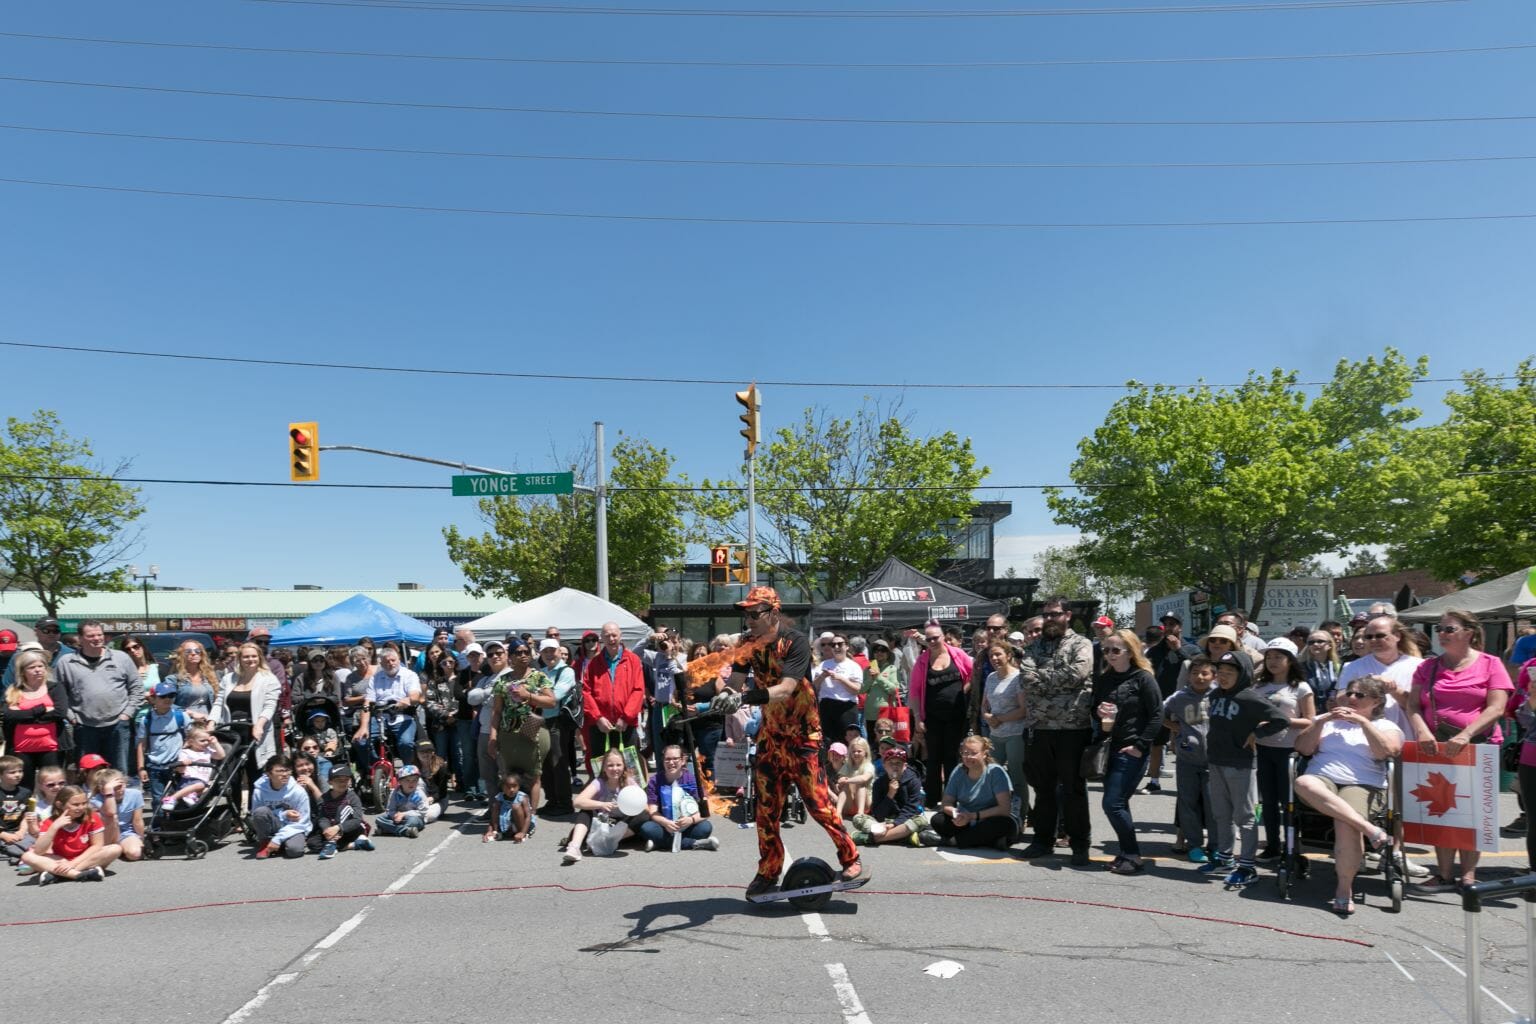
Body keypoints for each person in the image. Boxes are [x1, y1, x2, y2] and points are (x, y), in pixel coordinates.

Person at [722, 586, 864, 898]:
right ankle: (768, 870)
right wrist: (726, 696)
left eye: (754, 613)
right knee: (766, 809)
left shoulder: (794, 641)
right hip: (771, 736)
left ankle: (850, 857)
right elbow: (734, 683)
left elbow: (786, 688)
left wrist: (746, 696)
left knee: (817, 803)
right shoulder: (746, 643)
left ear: (773, 613)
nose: (749, 619)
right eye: (746, 613)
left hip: (803, 735)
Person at [1407, 609, 1514, 892]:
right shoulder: (1427, 667)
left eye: (1449, 629)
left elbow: (1497, 707)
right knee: (1440, 806)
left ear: (1469, 632)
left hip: (1479, 746)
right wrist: (1422, 731)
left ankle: (1468, 874)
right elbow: (1413, 705)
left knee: (1473, 812)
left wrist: (1467, 734)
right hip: (1437, 746)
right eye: (1440, 629)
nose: (1442, 634)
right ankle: (1444, 874)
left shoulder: (1491, 664)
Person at [1293, 676, 1402, 915]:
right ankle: (1371, 830)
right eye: (1350, 693)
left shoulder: (1386, 726)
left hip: (1363, 784)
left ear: (1376, 701)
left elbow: (1387, 752)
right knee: (1302, 782)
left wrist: (1363, 723)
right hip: (1323, 780)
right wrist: (1323, 721)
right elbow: (1303, 749)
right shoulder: (1326, 721)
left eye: (1360, 695)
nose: (1351, 698)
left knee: (1345, 825)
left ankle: (1344, 889)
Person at [1016, 595, 1096, 865]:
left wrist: (1044, 678)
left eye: (1055, 614)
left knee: (1073, 789)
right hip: (1039, 728)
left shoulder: (1081, 643)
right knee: (1043, 788)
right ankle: (1042, 840)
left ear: (1067, 615)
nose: (1050, 619)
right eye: (1047, 614)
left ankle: (1079, 844)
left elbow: (1078, 674)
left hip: (1072, 727)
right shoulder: (1034, 646)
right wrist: (1055, 681)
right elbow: (1026, 678)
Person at [1202, 651, 1289, 888]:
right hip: (1216, 761)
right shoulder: (1216, 694)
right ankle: (1225, 858)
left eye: (1229, 673)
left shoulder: (1250, 697)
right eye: (1220, 672)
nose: (1223, 677)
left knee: (1245, 816)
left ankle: (1248, 866)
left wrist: (1257, 733)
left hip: (1240, 764)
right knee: (1221, 814)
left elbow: (1281, 720)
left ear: (1242, 675)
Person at [1092, 629, 1163, 873]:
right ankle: (1126, 853)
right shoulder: (1105, 678)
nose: (1110, 655)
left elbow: (1157, 715)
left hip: (1131, 749)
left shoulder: (1143, 678)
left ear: (1130, 652)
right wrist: (1099, 712)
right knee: (1120, 803)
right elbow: (1093, 709)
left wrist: (1141, 746)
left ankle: (1132, 854)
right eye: (1106, 650)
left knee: (1112, 803)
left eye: (1115, 650)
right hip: (1109, 746)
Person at [1252, 638, 1316, 863]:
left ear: (1290, 660)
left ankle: (1292, 846)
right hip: (1263, 750)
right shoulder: (1258, 686)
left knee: (1288, 802)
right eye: (1269, 657)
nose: (1272, 661)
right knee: (1267, 802)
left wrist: (1282, 722)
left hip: (1289, 753)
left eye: (1278, 657)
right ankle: (1271, 845)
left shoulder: (1301, 688)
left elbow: (1310, 721)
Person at [53, 621, 144, 771]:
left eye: (99, 634)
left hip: (118, 726)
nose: (96, 638)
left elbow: (136, 688)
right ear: (81, 638)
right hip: (84, 727)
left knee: (118, 772)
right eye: (91, 636)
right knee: (88, 773)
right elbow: (59, 695)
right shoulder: (66, 663)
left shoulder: (121, 658)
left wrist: (127, 714)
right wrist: (72, 717)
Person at [909, 622, 975, 806]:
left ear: (943, 637)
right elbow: (914, 692)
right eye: (928, 638)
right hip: (932, 717)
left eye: (935, 638)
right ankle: (932, 799)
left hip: (956, 716)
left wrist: (964, 690)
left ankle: (952, 799)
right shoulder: (922, 661)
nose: (932, 641)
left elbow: (973, 674)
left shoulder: (958, 654)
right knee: (933, 758)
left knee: (952, 757)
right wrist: (917, 718)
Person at [488, 639, 556, 815]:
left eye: (526, 651)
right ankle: (512, 813)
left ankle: (531, 816)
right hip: (508, 734)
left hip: (532, 732)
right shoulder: (502, 681)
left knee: (534, 775)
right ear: (510, 657)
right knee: (509, 775)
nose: (523, 655)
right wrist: (492, 737)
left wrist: (529, 695)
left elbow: (551, 701)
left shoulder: (539, 677)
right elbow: (496, 712)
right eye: (518, 652)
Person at [213, 642, 283, 804]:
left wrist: (259, 724)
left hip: (255, 732)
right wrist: (211, 722)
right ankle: (235, 812)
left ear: (259, 658)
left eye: (253, 656)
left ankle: (254, 811)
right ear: (239, 658)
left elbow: (270, 705)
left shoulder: (268, 679)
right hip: (232, 733)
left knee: (255, 775)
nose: (250, 659)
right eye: (246, 656)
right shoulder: (229, 679)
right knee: (232, 776)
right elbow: (218, 703)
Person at [1164, 654, 1216, 863]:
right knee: (1188, 803)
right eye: (1195, 673)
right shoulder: (1180, 697)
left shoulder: (1219, 695)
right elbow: (1159, 713)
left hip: (1214, 761)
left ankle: (1216, 845)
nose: (1199, 677)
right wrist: (1177, 728)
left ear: (1213, 676)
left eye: (1205, 673)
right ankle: (1194, 845)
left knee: (1214, 805)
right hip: (1187, 759)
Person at [1338, 615, 1422, 734]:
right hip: (1365, 738)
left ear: (1397, 636)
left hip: (1408, 736)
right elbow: (1341, 700)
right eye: (1368, 637)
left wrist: (1394, 690)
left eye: (1379, 636)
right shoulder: (1352, 666)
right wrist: (1366, 685)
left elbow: (1421, 706)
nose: (1373, 640)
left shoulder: (1419, 666)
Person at [20, 784, 121, 883]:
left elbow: (97, 845)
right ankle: (78, 875)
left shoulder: (92, 817)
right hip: (61, 859)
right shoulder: (50, 822)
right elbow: (39, 851)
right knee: (27, 856)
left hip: (86, 858)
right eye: (75, 805)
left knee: (116, 848)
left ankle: (59, 874)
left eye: (84, 803)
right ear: (60, 805)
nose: (81, 807)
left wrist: (73, 863)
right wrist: (54, 827)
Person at [928, 735, 1015, 849]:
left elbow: (1004, 809)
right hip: (965, 819)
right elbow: (946, 803)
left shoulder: (995, 772)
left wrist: (973, 816)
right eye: (965, 753)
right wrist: (956, 814)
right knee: (937, 820)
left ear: (984, 753)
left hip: (988, 818)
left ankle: (953, 841)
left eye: (973, 753)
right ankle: (987, 841)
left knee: (1004, 825)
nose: (968, 757)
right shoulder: (959, 770)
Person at [845, 740, 937, 847]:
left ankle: (871, 838)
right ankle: (904, 837)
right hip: (883, 822)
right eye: (891, 763)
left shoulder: (913, 781)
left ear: (905, 766)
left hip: (904, 821)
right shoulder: (879, 783)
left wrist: (894, 824)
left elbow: (911, 809)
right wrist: (890, 794)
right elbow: (878, 814)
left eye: (898, 763)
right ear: (884, 765)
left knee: (920, 820)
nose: (895, 766)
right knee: (858, 818)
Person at [562, 747, 644, 865]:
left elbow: (643, 805)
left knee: (643, 815)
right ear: (604, 768)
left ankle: (608, 840)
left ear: (623, 766)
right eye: (610, 765)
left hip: (620, 826)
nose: (614, 768)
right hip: (602, 822)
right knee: (585, 811)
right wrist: (602, 804)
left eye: (618, 765)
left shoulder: (629, 782)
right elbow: (577, 801)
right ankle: (574, 847)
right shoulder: (599, 782)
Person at [2, 648, 69, 790]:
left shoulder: (55, 688)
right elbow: (9, 715)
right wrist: (41, 709)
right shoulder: (14, 690)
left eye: (41, 666)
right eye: (32, 667)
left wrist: (24, 715)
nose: (38, 670)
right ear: (22, 671)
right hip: (21, 749)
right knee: (23, 787)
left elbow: (60, 713)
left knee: (52, 785)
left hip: (51, 748)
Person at [581, 622, 646, 764]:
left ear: (620, 636)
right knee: (600, 765)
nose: (611, 639)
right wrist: (597, 718)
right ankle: (601, 787)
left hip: (626, 724)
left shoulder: (633, 660)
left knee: (630, 765)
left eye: (614, 635)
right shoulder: (594, 663)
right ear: (601, 639)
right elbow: (586, 692)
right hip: (600, 725)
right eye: (607, 636)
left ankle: (630, 787)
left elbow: (638, 690)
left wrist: (626, 717)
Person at [980, 641, 1029, 821]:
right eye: (991, 655)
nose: (994, 658)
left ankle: (1021, 816)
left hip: (1014, 734)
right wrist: (987, 716)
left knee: (1017, 777)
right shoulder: (991, 677)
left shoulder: (1018, 678)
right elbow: (984, 705)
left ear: (1008, 655)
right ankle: (997, 813)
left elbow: (1023, 710)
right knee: (993, 776)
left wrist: (999, 719)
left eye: (998, 654)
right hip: (995, 735)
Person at [639, 744, 718, 852]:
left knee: (705, 827)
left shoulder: (691, 780)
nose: (671, 763)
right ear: (663, 761)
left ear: (683, 760)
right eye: (667, 759)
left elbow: (705, 812)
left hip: (687, 825)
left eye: (675, 759)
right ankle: (695, 843)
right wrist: (665, 823)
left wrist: (691, 819)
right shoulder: (655, 780)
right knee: (646, 828)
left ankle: (659, 843)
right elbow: (653, 812)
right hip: (664, 827)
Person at [353, 646, 423, 769]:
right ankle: (378, 769)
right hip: (380, 716)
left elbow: (415, 696)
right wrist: (363, 727)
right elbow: (367, 702)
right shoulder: (376, 678)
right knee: (360, 741)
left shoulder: (409, 675)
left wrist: (407, 700)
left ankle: (408, 771)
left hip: (403, 715)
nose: (390, 664)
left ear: (398, 659)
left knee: (406, 743)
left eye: (393, 660)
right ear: (381, 663)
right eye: (386, 661)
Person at [537, 638, 579, 815]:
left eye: (552, 651)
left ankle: (564, 802)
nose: (549, 654)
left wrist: (535, 695)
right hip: (542, 721)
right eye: (545, 651)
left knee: (558, 763)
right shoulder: (541, 672)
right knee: (545, 763)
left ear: (558, 652)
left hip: (558, 722)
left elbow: (555, 697)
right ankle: (552, 800)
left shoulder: (566, 671)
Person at [134, 681, 192, 804]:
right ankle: (160, 822)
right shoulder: (147, 720)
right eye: (163, 696)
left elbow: (191, 737)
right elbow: (141, 745)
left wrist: (185, 751)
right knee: (158, 799)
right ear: (153, 699)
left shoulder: (181, 716)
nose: (168, 699)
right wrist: (141, 768)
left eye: (171, 696)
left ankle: (178, 822)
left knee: (180, 797)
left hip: (177, 765)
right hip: (155, 766)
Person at [250, 755, 311, 859]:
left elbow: (303, 822)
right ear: (269, 774)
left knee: (294, 851)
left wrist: (277, 839)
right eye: (280, 771)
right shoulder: (259, 791)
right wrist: (283, 814)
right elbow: (255, 816)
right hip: (273, 826)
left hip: (293, 827)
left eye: (287, 771)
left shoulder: (298, 791)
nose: (285, 774)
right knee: (260, 812)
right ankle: (265, 842)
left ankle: (277, 844)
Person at [814, 633, 865, 750]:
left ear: (847, 646)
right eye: (833, 645)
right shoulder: (824, 664)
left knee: (847, 742)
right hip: (827, 705)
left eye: (839, 644)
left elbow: (856, 689)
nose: (836, 647)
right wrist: (822, 676)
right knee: (827, 741)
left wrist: (841, 679)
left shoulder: (853, 666)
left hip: (846, 707)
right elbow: (814, 687)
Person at [311, 764, 371, 858]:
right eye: (338, 780)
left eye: (346, 780)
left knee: (344, 809)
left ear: (350, 781)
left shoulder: (352, 797)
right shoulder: (324, 798)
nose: (343, 783)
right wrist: (327, 830)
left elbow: (357, 819)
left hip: (349, 829)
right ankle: (352, 845)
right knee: (312, 843)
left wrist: (338, 828)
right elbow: (323, 817)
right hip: (332, 830)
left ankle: (332, 844)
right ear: (330, 782)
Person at [161, 727, 225, 810]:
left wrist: (215, 743)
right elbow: (179, 770)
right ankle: (172, 798)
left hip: (203, 780)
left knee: (207, 788)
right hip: (189, 780)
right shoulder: (185, 752)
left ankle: (190, 795)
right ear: (191, 742)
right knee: (201, 785)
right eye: (202, 741)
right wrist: (183, 764)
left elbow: (221, 756)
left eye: (207, 740)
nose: (206, 743)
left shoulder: (207, 751)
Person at [89, 768, 145, 862]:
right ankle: (113, 848)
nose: (119, 790)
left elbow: (137, 821)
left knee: (135, 854)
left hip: (125, 833)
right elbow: (111, 812)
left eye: (121, 785)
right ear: (103, 790)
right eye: (114, 788)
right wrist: (109, 792)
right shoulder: (97, 799)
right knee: (112, 817)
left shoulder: (135, 794)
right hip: (106, 834)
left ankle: (121, 848)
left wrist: (142, 838)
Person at [1, 617, 74, 689]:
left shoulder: (71, 655)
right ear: (36, 631)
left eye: (56, 631)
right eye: (46, 630)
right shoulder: (21, 656)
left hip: (61, 699)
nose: (51, 634)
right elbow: (8, 685)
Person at [164, 640, 220, 721]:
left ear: (201, 655)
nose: (193, 653)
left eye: (197, 651)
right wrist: (192, 714)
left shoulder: (209, 677)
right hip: (185, 721)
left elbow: (217, 702)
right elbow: (167, 704)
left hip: (207, 721)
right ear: (182, 656)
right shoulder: (173, 679)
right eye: (188, 651)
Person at [375, 765, 433, 839]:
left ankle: (388, 830)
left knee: (413, 821)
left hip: (413, 819)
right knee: (379, 819)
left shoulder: (420, 794)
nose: (411, 783)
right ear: (400, 781)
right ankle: (405, 831)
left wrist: (403, 814)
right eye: (407, 780)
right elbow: (390, 810)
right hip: (397, 819)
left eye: (414, 780)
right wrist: (395, 816)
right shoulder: (395, 793)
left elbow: (422, 812)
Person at [1299, 630, 1342, 712]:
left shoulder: (1339, 666)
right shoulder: (1301, 668)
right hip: (1310, 713)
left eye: (1320, 641)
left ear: (1329, 645)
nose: (1315, 644)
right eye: (1311, 642)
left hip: (1334, 712)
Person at [833, 737, 876, 819]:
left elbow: (864, 778)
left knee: (860, 784)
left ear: (865, 752)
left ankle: (860, 814)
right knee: (845, 785)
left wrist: (847, 780)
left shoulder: (869, 766)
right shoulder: (847, 765)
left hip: (865, 805)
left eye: (859, 751)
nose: (856, 753)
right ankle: (838, 813)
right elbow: (841, 780)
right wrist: (839, 783)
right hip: (849, 805)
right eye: (853, 752)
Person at [0, 755, 31, 865]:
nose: (18, 775)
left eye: (20, 771)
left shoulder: (25, 792)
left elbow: (26, 816)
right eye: (12, 772)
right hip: (2, 833)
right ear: (1, 774)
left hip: (18, 832)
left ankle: (15, 853)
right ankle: (22, 855)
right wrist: (4, 835)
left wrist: (22, 831)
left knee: (34, 840)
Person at [486, 772, 532, 843]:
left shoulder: (522, 797)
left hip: (522, 826)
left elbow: (528, 816)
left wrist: (523, 832)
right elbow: (493, 817)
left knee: (515, 806)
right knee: (495, 806)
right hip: (506, 824)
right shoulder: (499, 797)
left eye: (514, 786)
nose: (511, 789)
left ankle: (520, 833)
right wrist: (490, 831)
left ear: (519, 786)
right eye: (508, 787)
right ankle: (497, 831)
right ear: (502, 787)